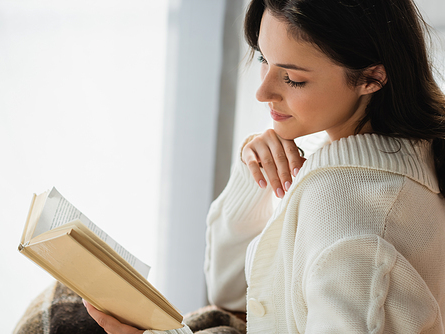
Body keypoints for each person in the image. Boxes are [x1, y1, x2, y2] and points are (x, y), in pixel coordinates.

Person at [84, 0, 445, 332]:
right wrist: (253, 173)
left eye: (293, 78)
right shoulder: (409, 150)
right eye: (262, 59)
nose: (263, 91)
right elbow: (233, 296)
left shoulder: (348, 213)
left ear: (372, 78)